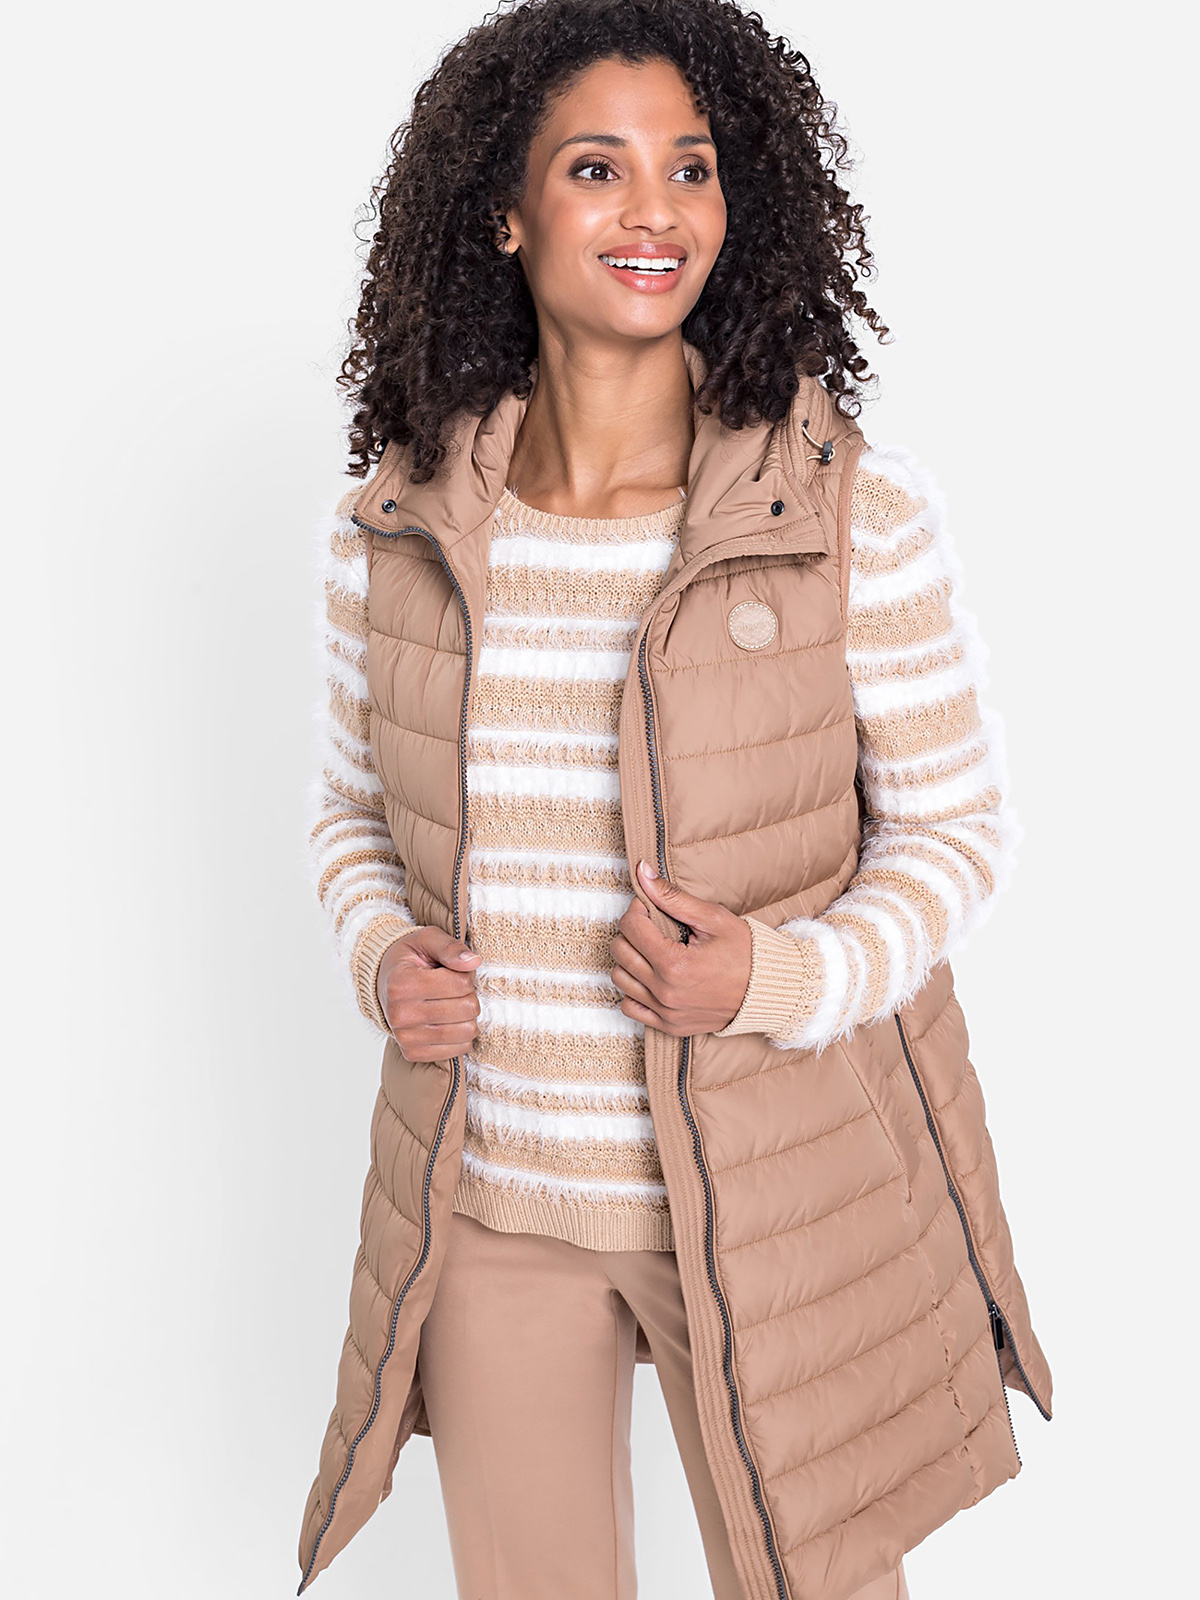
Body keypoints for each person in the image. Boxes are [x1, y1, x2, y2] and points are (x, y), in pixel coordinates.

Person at [297, 3, 1053, 1598]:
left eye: (691, 168)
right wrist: (380, 956)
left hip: (776, 1207)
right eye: (598, 168)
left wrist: (775, 976)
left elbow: (955, 833)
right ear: (504, 215)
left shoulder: (842, 512)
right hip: (497, 1202)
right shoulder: (401, 526)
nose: (656, 211)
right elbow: (349, 812)